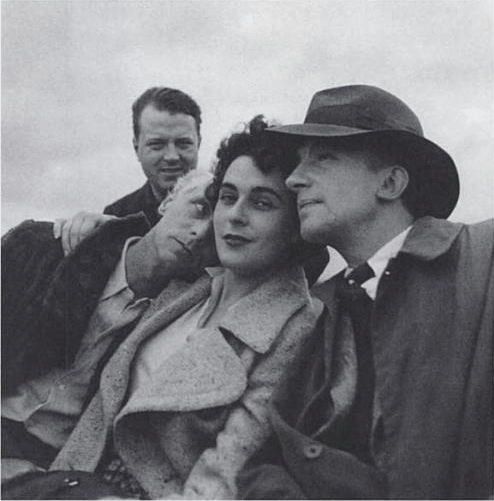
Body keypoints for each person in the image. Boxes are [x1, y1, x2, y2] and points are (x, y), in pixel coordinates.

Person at [42, 115, 324, 499]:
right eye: (227, 197)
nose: (235, 215)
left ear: (295, 224)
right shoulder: (185, 288)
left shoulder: (298, 325)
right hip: (71, 480)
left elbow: (227, 472)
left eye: (262, 203)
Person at [237, 85, 493, 499]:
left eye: (323, 158)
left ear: (390, 183)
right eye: (299, 161)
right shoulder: (321, 311)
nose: (294, 179)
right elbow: (267, 463)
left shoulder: (483, 259)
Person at [2, 169, 216, 479]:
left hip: (58, 466)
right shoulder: (44, 249)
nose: (200, 233)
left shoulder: (180, 321)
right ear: (167, 201)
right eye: (200, 207)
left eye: (216, 234)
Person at [104, 86, 202, 226]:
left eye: (183, 143)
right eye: (157, 144)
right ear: (137, 149)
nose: (172, 156)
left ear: (198, 144)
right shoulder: (116, 218)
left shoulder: (222, 208)